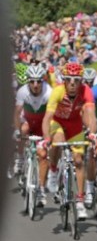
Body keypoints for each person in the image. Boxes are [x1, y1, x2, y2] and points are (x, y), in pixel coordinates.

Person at [41, 61, 97, 220]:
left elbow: (92, 116)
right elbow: (47, 118)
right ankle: (53, 171)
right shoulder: (57, 91)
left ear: (81, 81)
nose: (73, 84)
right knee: (57, 141)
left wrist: (92, 134)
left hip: (75, 125)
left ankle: (80, 201)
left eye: (76, 80)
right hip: (58, 122)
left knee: (79, 160)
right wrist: (46, 138)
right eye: (69, 80)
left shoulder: (86, 91)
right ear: (64, 80)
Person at [14, 64, 52, 206]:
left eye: (38, 81)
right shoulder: (22, 92)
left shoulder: (49, 92)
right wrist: (17, 131)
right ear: (28, 81)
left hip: (42, 124)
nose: (35, 85)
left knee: (42, 155)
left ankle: (41, 189)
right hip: (28, 121)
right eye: (32, 81)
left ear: (43, 81)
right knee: (23, 130)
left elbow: (51, 117)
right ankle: (20, 158)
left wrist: (48, 136)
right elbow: (17, 114)